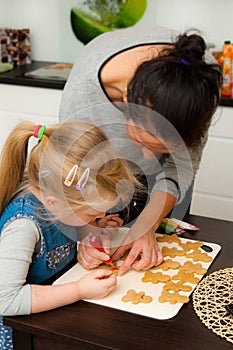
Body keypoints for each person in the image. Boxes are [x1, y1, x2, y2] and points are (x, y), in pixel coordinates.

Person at [59, 25, 222, 276]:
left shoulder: (199, 80)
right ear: (126, 100)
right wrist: (86, 233)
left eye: (160, 149)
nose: (149, 158)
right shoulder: (84, 96)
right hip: (102, 180)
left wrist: (147, 225)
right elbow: (76, 176)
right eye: (143, 142)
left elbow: (179, 165)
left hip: (166, 189)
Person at [0, 120, 139, 349]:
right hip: (22, 333)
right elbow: (6, 300)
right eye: (90, 214)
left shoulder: (60, 199)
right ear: (53, 204)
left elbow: (71, 222)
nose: (95, 218)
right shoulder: (23, 226)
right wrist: (79, 290)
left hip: (54, 312)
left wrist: (94, 226)